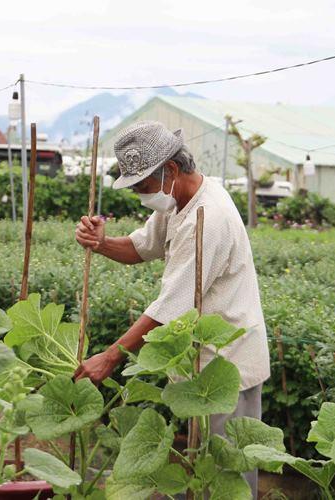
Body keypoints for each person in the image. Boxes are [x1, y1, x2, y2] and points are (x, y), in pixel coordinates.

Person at [74, 121, 270, 497]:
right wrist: (100, 243)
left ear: (172, 170)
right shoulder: (179, 200)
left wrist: (110, 357)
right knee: (200, 467)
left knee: (228, 475)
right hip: (200, 362)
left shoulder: (208, 217)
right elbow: (140, 247)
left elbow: (172, 307)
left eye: (143, 188)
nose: (141, 196)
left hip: (227, 364)